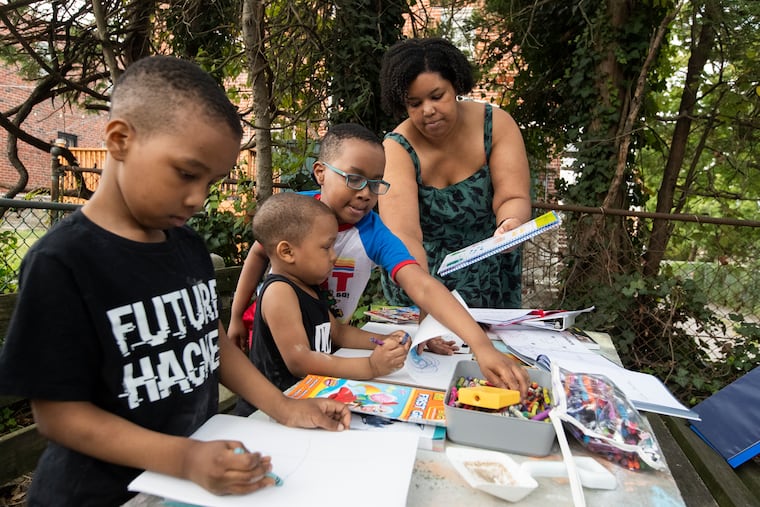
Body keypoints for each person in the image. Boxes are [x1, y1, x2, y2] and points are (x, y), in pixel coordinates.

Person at [0, 55, 350, 506]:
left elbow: (213, 343)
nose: (198, 197)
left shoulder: (187, 248)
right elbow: (57, 415)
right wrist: (183, 458)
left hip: (187, 481)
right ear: (120, 139)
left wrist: (284, 407)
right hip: (103, 494)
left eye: (212, 181)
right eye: (187, 173)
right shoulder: (63, 262)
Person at [227, 123, 529, 395]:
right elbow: (258, 251)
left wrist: (478, 344)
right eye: (355, 179)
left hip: (328, 346)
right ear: (320, 172)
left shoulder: (372, 231)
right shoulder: (294, 213)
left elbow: (421, 285)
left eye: (375, 183)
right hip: (280, 356)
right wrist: (237, 317)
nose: (366, 194)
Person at [377, 37, 533, 310]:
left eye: (437, 96)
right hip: (419, 280)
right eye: (414, 103)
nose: (428, 110)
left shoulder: (497, 124)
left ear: (456, 85)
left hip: (488, 281)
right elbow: (403, 234)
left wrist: (511, 223)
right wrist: (425, 298)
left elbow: (513, 196)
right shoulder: (396, 147)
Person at [234, 192, 411, 416]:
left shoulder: (308, 286)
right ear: (287, 252)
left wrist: (383, 341)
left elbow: (337, 333)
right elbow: (300, 360)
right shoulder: (280, 292)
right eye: (326, 247)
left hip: (308, 400)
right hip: (268, 414)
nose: (334, 256)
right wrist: (370, 366)